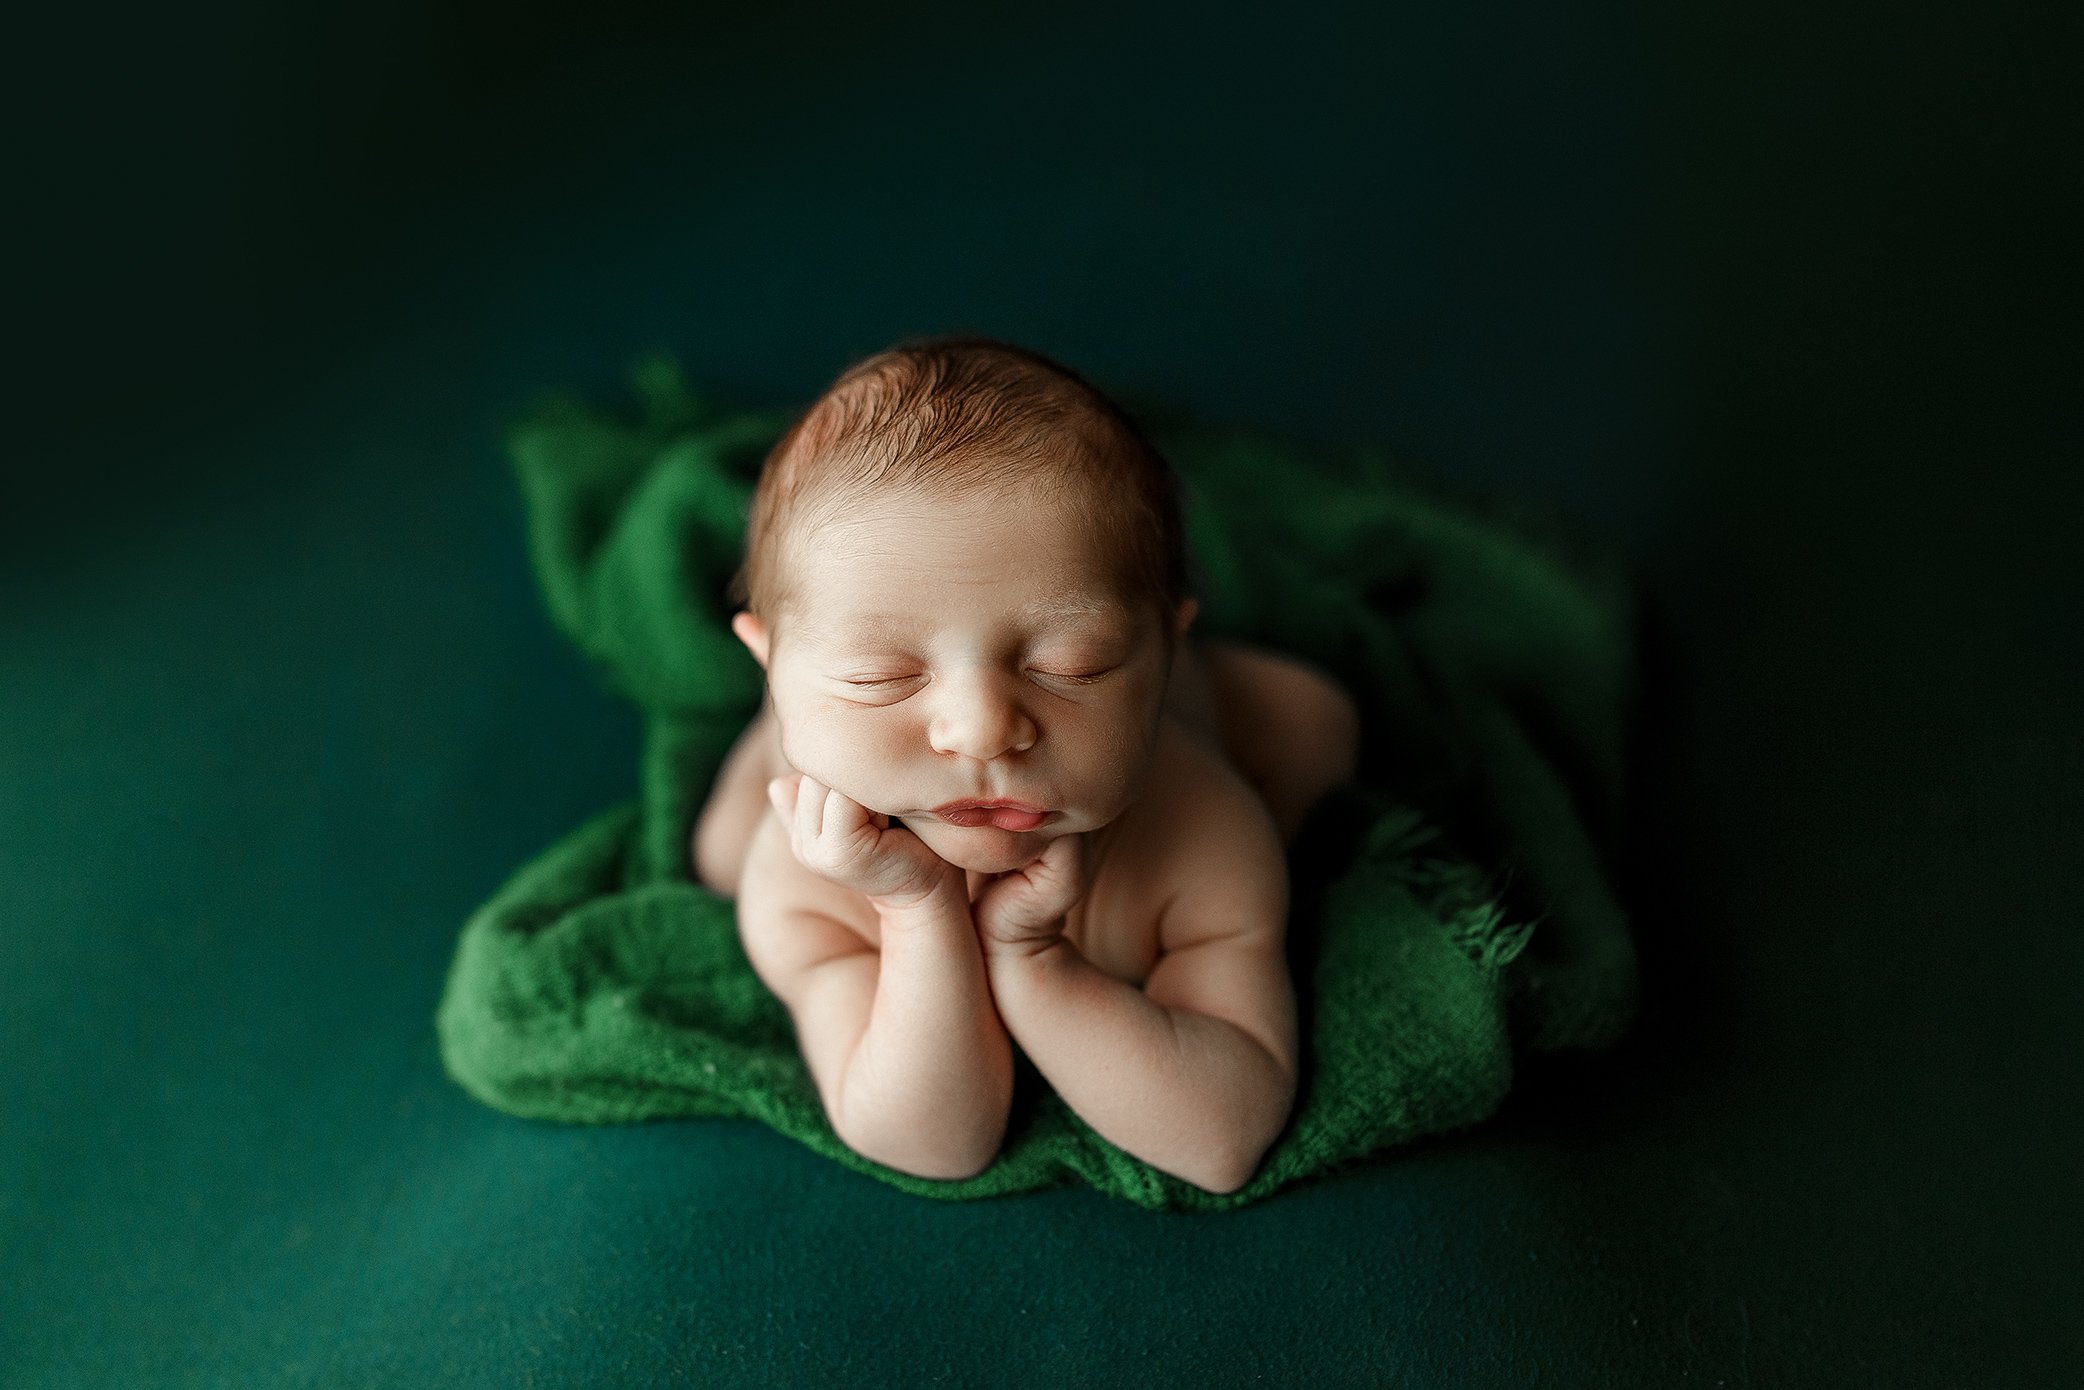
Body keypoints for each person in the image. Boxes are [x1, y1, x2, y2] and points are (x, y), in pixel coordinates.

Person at [690, 336, 1360, 1193]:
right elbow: (936, 1144)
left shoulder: (1202, 831)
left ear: (1161, 646)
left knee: (1317, 723)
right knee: (720, 853)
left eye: (1072, 666)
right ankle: (780, 721)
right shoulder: (802, 879)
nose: (982, 730)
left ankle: (878, 685)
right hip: (811, 747)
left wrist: (1032, 960)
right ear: (767, 655)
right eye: (881, 676)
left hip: (1199, 699)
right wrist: (915, 910)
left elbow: (1223, 1140)